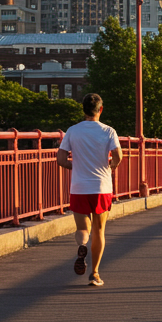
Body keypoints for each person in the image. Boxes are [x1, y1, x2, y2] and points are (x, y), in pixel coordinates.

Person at [56, 93, 123, 287]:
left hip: (79, 186)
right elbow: (118, 156)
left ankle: (82, 246)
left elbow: (61, 159)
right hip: (101, 186)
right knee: (99, 230)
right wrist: (111, 165)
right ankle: (94, 274)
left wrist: (75, 166)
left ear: (83, 109)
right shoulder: (109, 131)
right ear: (100, 110)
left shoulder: (72, 131)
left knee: (82, 228)